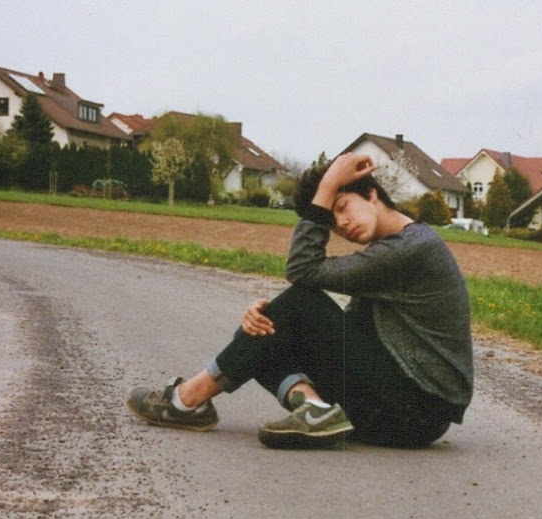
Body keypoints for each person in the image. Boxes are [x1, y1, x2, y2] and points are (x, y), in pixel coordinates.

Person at [127, 152, 473, 449]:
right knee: (267, 326)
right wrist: (269, 321)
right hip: (403, 409)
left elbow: (302, 270)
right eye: (332, 222)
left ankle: (186, 400)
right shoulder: (391, 249)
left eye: (342, 207)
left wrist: (328, 185)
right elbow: (352, 328)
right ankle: (315, 410)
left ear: (372, 194)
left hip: (418, 411)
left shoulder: (411, 250)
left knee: (300, 302)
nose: (342, 224)